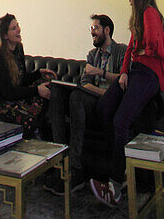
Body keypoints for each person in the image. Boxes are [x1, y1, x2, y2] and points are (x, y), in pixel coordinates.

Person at [90, 0, 164, 207]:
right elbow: (131, 50)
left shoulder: (149, 13)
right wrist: (124, 71)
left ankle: (116, 184)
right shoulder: (137, 17)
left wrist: (139, 53)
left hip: (149, 74)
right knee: (104, 107)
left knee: (121, 120)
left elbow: (152, 46)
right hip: (134, 72)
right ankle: (119, 161)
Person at [46, 13, 126, 195]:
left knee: (77, 97)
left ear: (107, 30)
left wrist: (100, 75)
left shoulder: (122, 51)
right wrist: (103, 92)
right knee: (58, 91)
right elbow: (85, 83)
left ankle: (76, 169)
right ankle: (61, 162)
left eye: (95, 28)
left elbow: (122, 80)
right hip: (94, 99)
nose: (92, 32)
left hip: (110, 104)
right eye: (91, 29)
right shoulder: (92, 55)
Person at [0, 13, 54, 138]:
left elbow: (21, 80)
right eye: (13, 28)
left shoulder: (18, 48)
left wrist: (38, 74)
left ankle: (38, 131)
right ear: (5, 35)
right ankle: (32, 141)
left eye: (17, 25)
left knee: (45, 88)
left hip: (11, 97)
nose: (18, 29)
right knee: (30, 118)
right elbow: (7, 92)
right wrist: (36, 90)